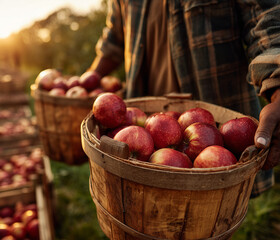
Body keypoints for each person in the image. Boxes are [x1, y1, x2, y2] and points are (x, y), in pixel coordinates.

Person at [84, 0, 280, 197]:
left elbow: (266, 20)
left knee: (210, 214)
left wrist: (278, 90)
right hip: (145, 127)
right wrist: (86, 83)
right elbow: (114, 38)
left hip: (216, 126)